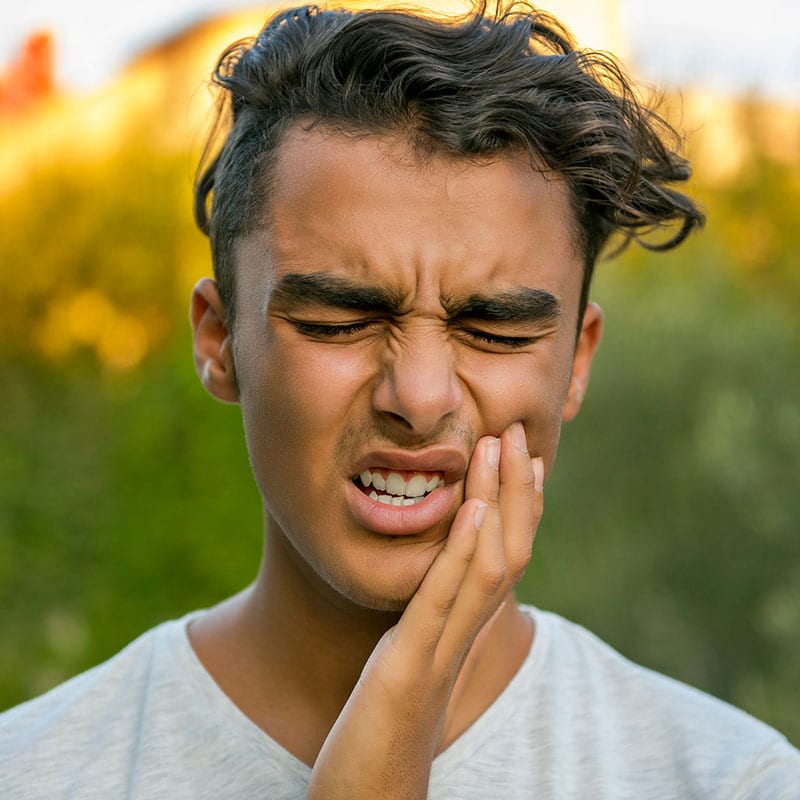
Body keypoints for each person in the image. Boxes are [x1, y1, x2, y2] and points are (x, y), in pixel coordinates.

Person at [1, 2, 798, 798]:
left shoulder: (734, 782)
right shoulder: (31, 772)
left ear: (576, 362)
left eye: (495, 331)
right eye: (339, 320)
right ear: (218, 341)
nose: (418, 398)